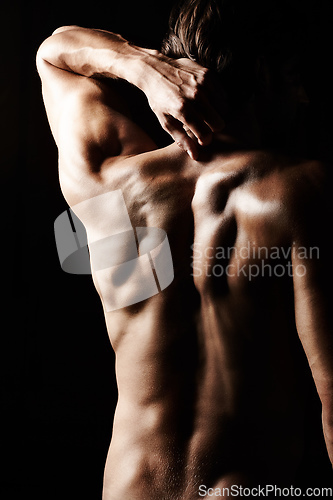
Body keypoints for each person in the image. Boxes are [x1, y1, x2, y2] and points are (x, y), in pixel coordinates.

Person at [36, 0, 333, 497]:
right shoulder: (299, 192)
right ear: (262, 73)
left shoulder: (109, 183)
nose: (303, 97)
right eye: (293, 77)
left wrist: (143, 67)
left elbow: (54, 52)